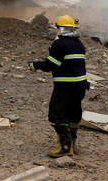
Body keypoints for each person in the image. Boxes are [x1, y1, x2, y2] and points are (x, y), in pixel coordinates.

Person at [28, 15, 88, 157]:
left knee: (57, 115)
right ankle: (72, 145)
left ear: (60, 29)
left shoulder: (60, 44)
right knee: (73, 114)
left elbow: (51, 65)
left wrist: (35, 65)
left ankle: (65, 147)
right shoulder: (79, 44)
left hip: (65, 87)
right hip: (80, 86)